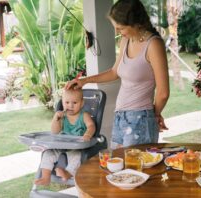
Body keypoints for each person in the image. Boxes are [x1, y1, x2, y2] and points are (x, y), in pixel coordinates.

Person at [65, 0, 169, 149]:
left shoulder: (153, 45)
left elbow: (163, 93)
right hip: (121, 116)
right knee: (122, 168)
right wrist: (85, 80)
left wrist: (154, 115)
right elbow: (114, 72)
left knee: (138, 169)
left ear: (135, 23)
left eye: (120, 28)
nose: (117, 33)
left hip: (140, 118)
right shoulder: (126, 41)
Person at [34, 88, 95, 185]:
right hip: (61, 144)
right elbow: (55, 131)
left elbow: (91, 126)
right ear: (62, 102)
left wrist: (88, 134)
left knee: (77, 157)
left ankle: (67, 173)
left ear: (82, 103)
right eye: (67, 102)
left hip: (76, 147)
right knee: (48, 153)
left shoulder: (84, 115)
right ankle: (46, 177)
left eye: (74, 102)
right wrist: (56, 119)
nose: (70, 105)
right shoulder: (63, 116)